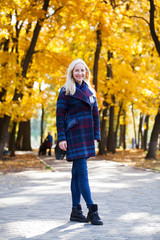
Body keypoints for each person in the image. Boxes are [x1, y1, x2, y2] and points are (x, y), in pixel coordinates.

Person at [56, 59, 103, 225]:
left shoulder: (90, 91)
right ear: (71, 72)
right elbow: (60, 116)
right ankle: (92, 209)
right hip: (74, 136)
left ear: (86, 72)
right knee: (83, 173)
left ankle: (76, 210)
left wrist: (96, 135)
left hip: (87, 135)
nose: (80, 73)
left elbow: (95, 115)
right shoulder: (66, 91)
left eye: (82, 70)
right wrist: (61, 137)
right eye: (77, 71)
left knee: (76, 174)